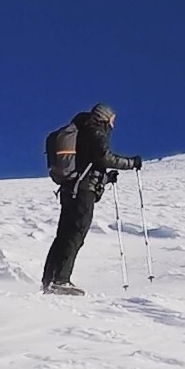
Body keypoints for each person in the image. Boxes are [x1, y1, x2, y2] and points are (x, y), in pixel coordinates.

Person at [42, 103, 142, 296]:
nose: (113, 124)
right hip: (82, 191)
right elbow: (104, 158)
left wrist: (105, 178)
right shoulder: (95, 131)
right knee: (75, 233)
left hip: (70, 189)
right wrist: (131, 163)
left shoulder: (81, 131)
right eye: (112, 119)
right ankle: (61, 280)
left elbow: (87, 164)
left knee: (64, 234)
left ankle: (49, 280)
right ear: (104, 117)